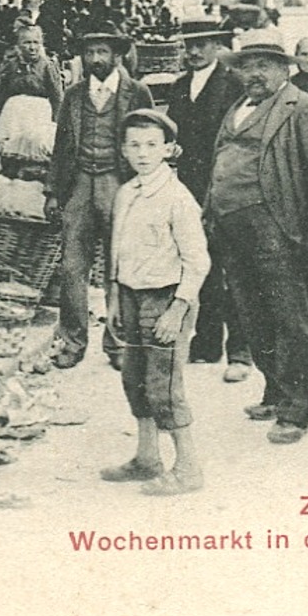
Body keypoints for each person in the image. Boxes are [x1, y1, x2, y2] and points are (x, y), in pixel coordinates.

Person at [204, 28, 308, 445]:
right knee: (251, 315)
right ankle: (275, 392)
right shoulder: (239, 107)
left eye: (263, 65)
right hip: (234, 232)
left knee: (290, 321)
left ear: (284, 70)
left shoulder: (305, 108)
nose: (253, 74)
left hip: (281, 232)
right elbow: (220, 163)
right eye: (246, 66)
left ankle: (297, 411)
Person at [99, 109, 209, 496]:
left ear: (169, 149)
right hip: (129, 295)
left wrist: (177, 310)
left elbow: (198, 261)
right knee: (135, 380)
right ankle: (147, 458)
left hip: (165, 298)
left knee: (163, 385)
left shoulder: (178, 199)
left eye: (151, 145)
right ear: (124, 150)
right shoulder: (126, 192)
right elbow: (117, 249)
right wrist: (113, 295)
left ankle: (189, 467)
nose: (142, 153)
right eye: (134, 145)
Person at [44, 25, 153, 369]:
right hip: (79, 185)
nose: (95, 59)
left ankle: (119, 343)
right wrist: (52, 192)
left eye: (102, 52)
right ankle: (72, 343)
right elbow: (61, 146)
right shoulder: (74, 96)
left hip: (118, 185)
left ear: (116, 55)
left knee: (118, 267)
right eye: (90, 53)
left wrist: (146, 189)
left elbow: (150, 141)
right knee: (73, 267)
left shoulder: (136, 93)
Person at [166, 20, 250, 378]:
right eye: (190, 45)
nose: (195, 52)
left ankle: (241, 351)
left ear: (218, 45)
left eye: (202, 44)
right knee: (203, 265)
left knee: (234, 267)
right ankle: (207, 342)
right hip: (189, 187)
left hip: (226, 187)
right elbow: (174, 128)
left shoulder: (235, 85)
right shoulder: (181, 85)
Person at [0, 23, 64, 149]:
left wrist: (56, 123)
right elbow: (2, 94)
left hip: (38, 114)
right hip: (14, 116)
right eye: (27, 42)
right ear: (18, 44)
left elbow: (57, 96)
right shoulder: (11, 65)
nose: (32, 47)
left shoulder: (47, 66)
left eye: (36, 42)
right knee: (12, 148)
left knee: (35, 147)